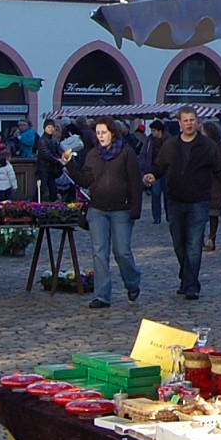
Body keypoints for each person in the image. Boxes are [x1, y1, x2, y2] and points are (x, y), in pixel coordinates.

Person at [153, 107, 221, 300]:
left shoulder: (208, 146)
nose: (189, 123)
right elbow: (159, 166)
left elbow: (220, 171)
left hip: (199, 201)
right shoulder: (170, 145)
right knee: (178, 243)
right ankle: (186, 275)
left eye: (192, 120)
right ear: (179, 123)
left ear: (197, 122)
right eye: (185, 120)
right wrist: (151, 175)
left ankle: (192, 285)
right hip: (175, 200)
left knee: (194, 244)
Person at [78, 117, 143, 308]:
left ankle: (132, 282)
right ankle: (102, 295)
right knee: (99, 252)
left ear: (112, 133)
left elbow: (135, 181)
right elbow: (85, 180)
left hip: (121, 209)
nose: (101, 137)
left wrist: (135, 208)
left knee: (121, 251)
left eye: (104, 133)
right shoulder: (92, 155)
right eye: (98, 133)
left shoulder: (126, 152)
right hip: (97, 209)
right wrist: (69, 166)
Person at [34, 116, 66, 203]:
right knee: (43, 189)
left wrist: (65, 155)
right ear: (44, 128)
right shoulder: (42, 140)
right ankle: (38, 205)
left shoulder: (53, 140)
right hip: (43, 168)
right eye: (48, 127)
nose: (51, 129)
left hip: (51, 169)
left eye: (52, 127)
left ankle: (52, 205)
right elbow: (47, 155)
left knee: (53, 189)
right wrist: (58, 160)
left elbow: (59, 151)